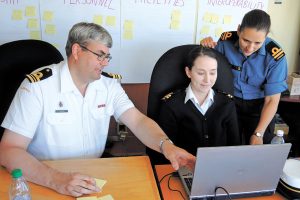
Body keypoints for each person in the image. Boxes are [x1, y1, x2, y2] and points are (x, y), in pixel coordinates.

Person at [0, 22, 195, 197]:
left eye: (107, 56)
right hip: (44, 176)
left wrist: (166, 146)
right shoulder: (38, 87)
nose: (106, 62)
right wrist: (56, 179)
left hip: (93, 175)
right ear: (77, 51)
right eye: (100, 55)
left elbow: (137, 121)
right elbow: (9, 150)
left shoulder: (108, 85)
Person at [200, 9, 288, 145]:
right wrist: (205, 48)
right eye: (245, 40)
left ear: (266, 36)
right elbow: (209, 70)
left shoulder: (276, 57)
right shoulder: (225, 41)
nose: (250, 47)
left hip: (260, 107)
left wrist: (258, 133)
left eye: (258, 43)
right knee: (224, 147)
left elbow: (272, 100)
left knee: (258, 151)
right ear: (239, 30)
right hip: (230, 103)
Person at [157, 46, 240, 157]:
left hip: (220, 166)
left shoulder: (227, 103)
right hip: (183, 168)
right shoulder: (171, 104)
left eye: (212, 73)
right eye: (201, 73)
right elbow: (165, 148)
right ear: (188, 72)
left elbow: (235, 146)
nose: (207, 80)